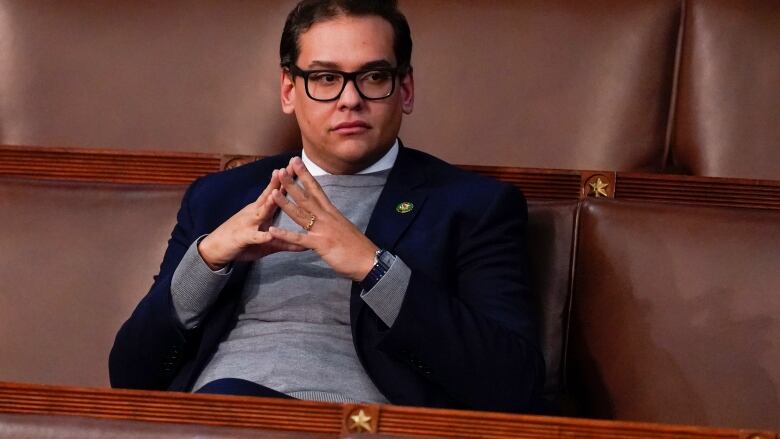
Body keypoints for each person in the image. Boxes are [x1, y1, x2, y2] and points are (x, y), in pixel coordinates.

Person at [109, 0, 544, 413]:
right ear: (288, 90)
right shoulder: (219, 198)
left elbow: (514, 384)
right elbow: (130, 376)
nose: (350, 99)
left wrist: (375, 269)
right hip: (211, 417)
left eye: (374, 77)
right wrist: (205, 263)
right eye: (324, 79)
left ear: (405, 90)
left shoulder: (474, 206)